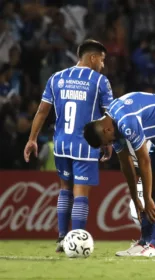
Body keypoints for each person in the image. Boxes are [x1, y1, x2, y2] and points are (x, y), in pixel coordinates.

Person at [24, 39, 114, 252]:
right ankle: (77, 241)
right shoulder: (100, 81)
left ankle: (62, 237)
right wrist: (108, 142)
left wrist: (32, 139)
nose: (102, 65)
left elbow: (42, 111)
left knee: (65, 190)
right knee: (81, 193)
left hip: (61, 144)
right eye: (101, 60)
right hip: (85, 145)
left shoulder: (56, 78)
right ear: (92, 58)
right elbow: (110, 116)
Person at [83, 92, 155, 257]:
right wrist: (136, 198)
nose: (109, 145)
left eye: (107, 142)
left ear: (106, 130)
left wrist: (147, 198)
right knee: (154, 186)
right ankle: (144, 242)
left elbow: (144, 161)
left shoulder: (125, 122)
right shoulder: (113, 127)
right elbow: (126, 166)